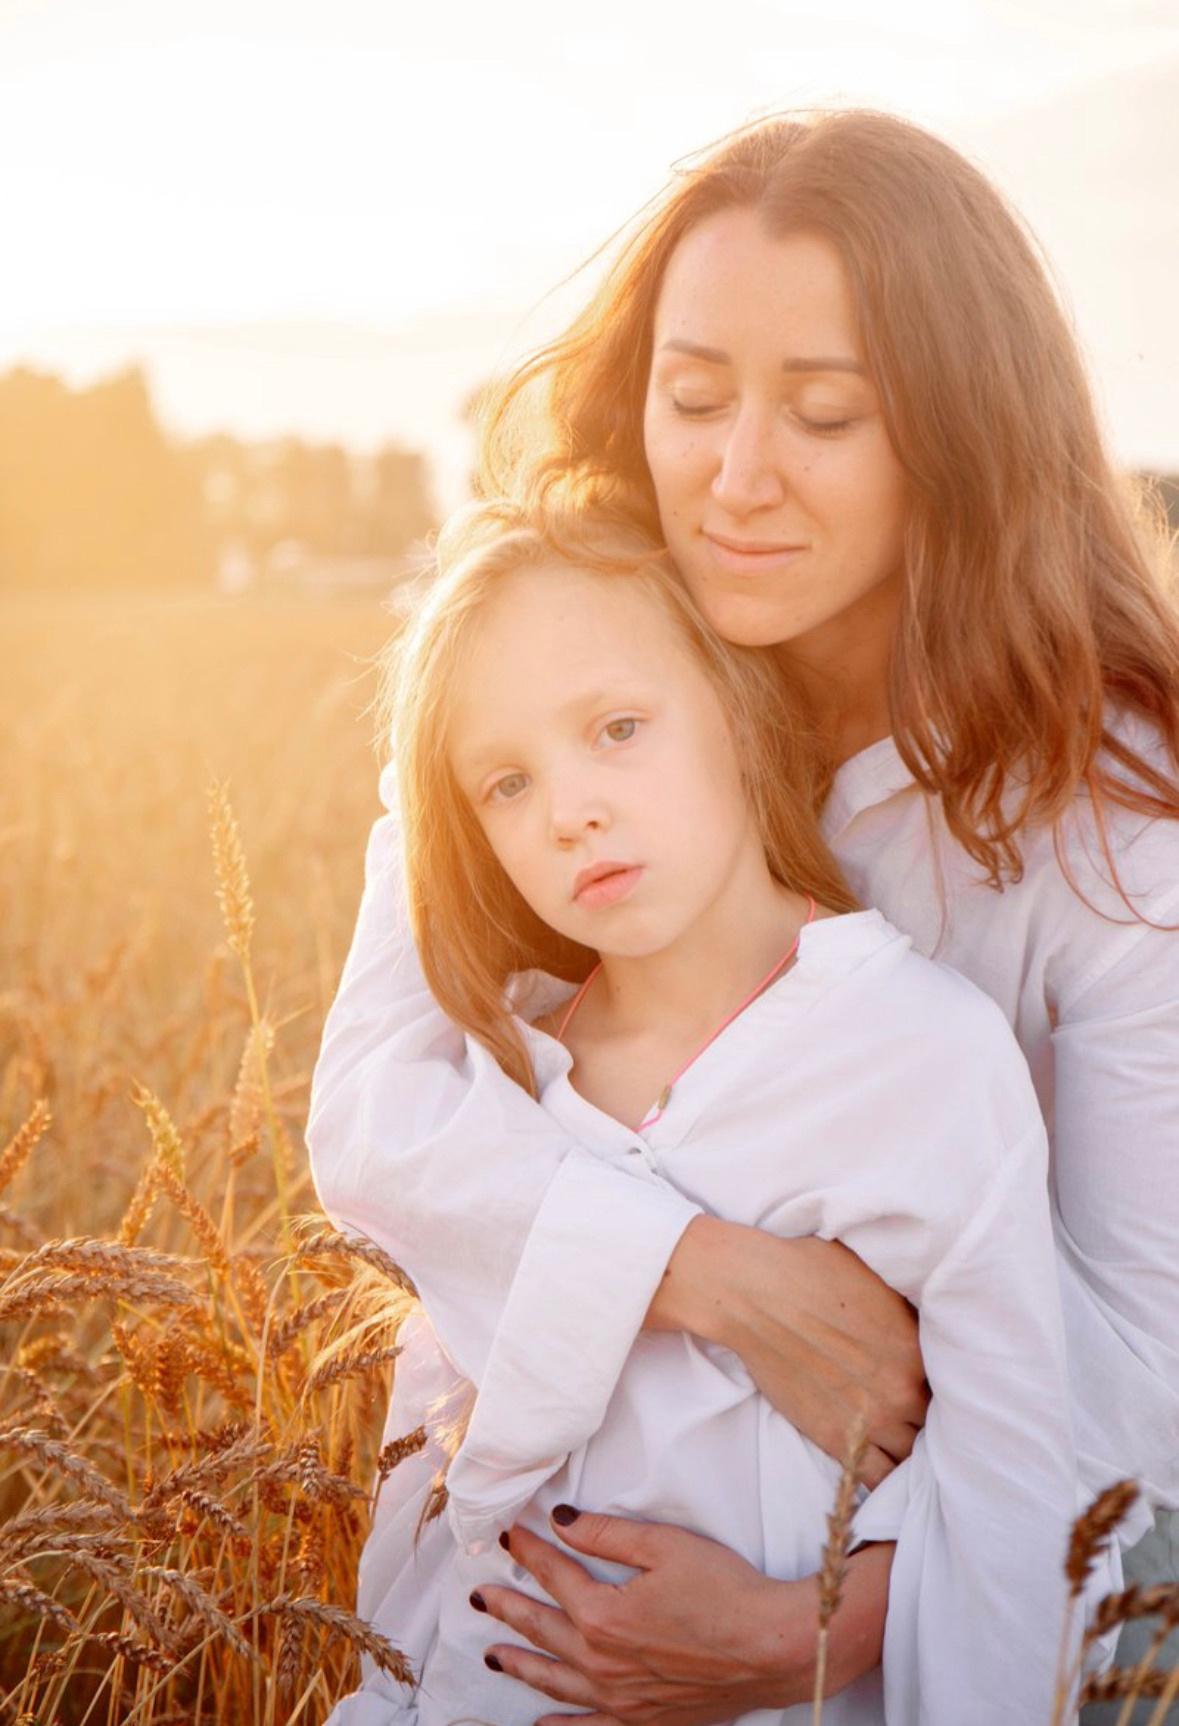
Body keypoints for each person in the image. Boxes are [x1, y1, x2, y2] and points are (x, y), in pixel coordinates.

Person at [308, 108, 1179, 1722]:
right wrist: (701, 1271)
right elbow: (375, 1112)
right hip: (526, 1604)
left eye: (825, 414)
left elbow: (1144, 1366)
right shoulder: (569, 653)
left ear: (962, 440)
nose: (734, 476)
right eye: (692, 397)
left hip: (920, 1589)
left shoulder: (1114, 827)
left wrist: (822, 1621)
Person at [325, 498, 1081, 1725]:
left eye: (619, 728)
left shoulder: (925, 1054)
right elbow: (426, 1537)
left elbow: (1012, 1506)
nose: (569, 809)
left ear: (737, 704)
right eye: (506, 783)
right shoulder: (495, 1086)